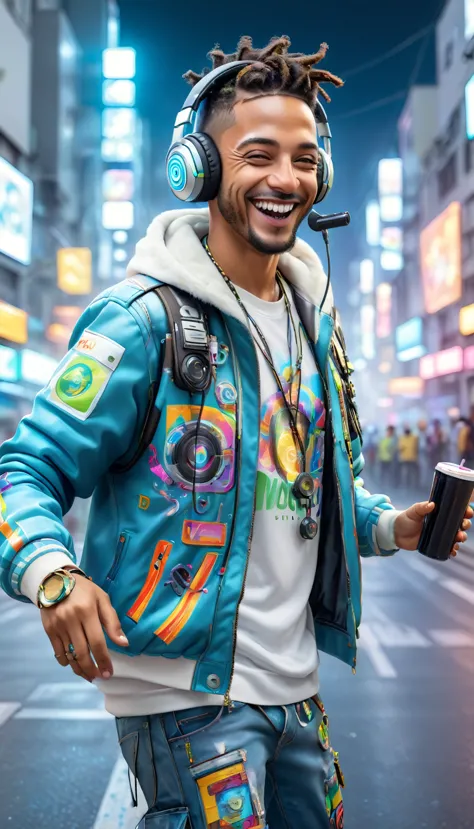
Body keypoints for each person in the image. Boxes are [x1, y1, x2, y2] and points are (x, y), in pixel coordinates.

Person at [0, 35, 471, 829]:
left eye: (305, 156)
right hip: (187, 698)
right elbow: (23, 466)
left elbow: (313, 492)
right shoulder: (143, 322)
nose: (286, 179)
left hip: (297, 694)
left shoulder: (315, 325)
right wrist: (52, 571)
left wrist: (391, 525)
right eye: (258, 155)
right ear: (199, 167)